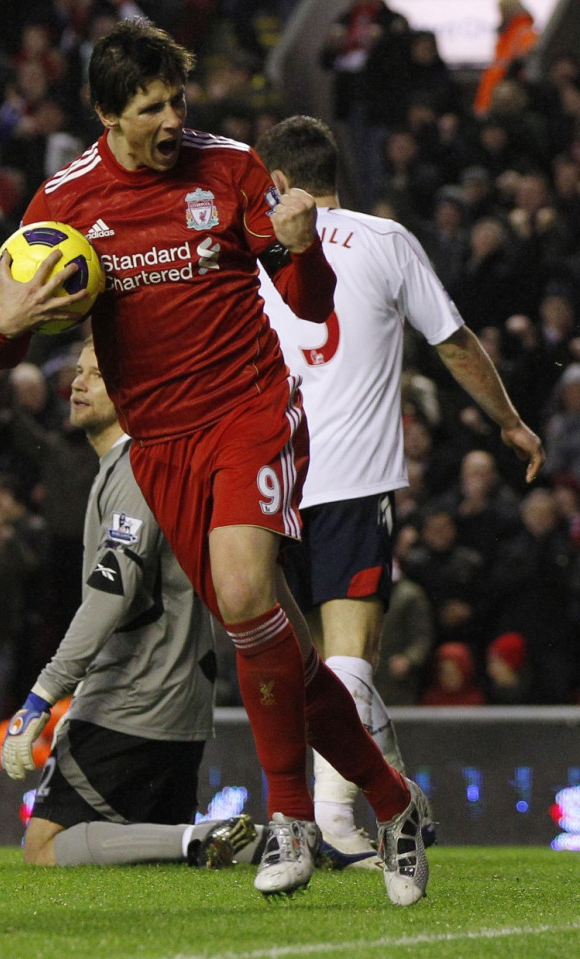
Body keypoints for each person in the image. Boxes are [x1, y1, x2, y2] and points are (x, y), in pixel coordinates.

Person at [0, 20, 430, 906]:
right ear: (106, 113)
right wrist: (11, 322)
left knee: (239, 594)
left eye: (177, 101)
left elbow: (307, 304)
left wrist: (301, 247)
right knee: (273, 638)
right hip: (164, 443)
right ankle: (393, 798)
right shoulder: (64, 203)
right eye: (150, 108)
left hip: (252, 409)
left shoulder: (228, 168)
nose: (171, 120)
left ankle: (290, 818)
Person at [254, 115, 544, 867]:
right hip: (352, 476)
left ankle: (357, 803)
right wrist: (510, 423)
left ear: (279, 182)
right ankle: (337, 815)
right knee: (349, 654)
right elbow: (452, 342)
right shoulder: (385, 241)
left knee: (305, 660)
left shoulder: (252, 252)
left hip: (268, 476)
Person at [0, 337, 264, 871]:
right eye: (78, 371)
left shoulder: (136, 469)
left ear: (135, 391)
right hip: (176, 698)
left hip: (131, 698)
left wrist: (41, 695)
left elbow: (111, 594)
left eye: (96, 375)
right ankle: (289, 845)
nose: (77, 383)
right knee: (161, 854)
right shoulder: (142, 466)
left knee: (43, 848)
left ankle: (205, 837)